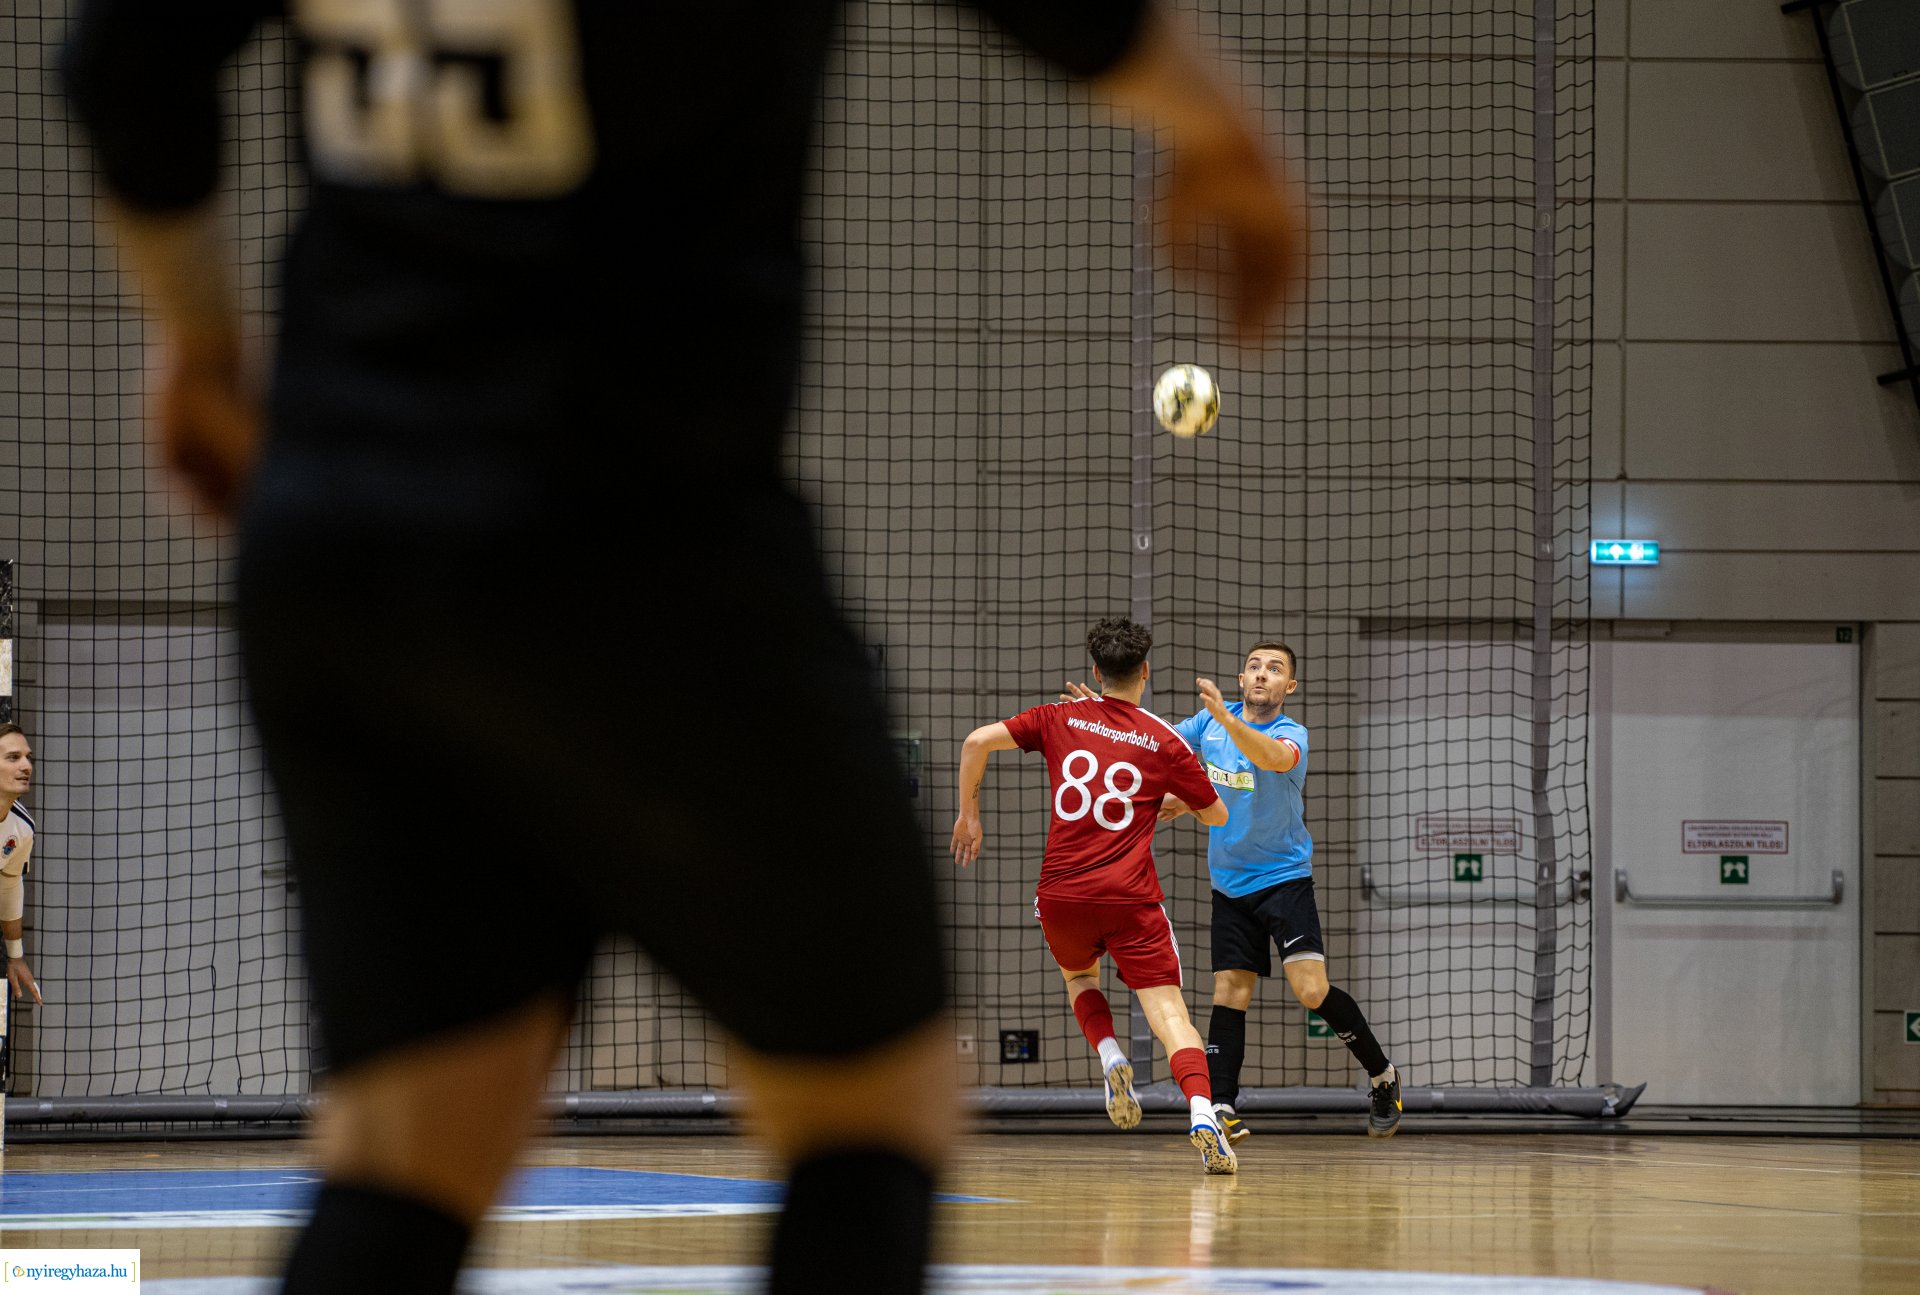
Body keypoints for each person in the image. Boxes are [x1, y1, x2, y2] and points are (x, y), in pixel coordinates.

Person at [61, 0, 1302, 1290]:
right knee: (871, 1105)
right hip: (646, 537)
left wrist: (199, 341)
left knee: (411, 1139)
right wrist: (1218, 124)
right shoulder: (1145, 726)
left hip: (346, 546)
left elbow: (121, 62)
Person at [953, 617, 1238, 1174]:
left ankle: (1109, 1057)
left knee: (1080, 978)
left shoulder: (1060, 717)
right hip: (1129, 899)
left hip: (1062, 896)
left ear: (1094, 670)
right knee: (1169, 1013)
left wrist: (969, 815)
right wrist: (1173, 802)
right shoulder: (1164, 740)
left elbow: (975, 741)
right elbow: (1219, 815)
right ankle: (1203, 1113)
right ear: (1145, 672)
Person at [1113, 643, 1403, 1140]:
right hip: (1229, 884)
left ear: (1289, 686)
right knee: (1230, 990)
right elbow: (1153, 741)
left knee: (1311, 991)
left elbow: (1270, 759)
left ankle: (1383, 1076)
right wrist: (1104, 715)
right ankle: (1222, 1105)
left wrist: (1226, 720)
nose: (1262, 674)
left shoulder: (1290, 734)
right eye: (1254, 667)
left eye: (1274, 669)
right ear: (1242, 679)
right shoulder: (1207, 724)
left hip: (1284, 879)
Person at [0, 723, 45, 1007]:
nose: (26, 766)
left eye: (28, 758)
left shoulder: (22, 828)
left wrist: (15, 955)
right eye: (13, 757)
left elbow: (9, 885)